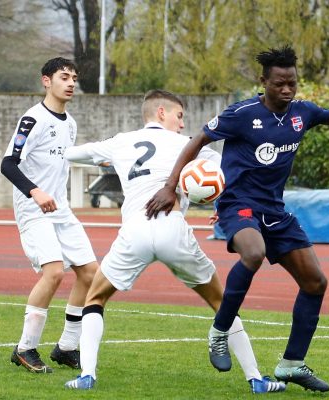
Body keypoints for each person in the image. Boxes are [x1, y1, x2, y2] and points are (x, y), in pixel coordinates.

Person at [145, 46, 329, 393]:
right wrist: (171, 185)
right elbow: (198, 139)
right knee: (253, 253)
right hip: (238, 205)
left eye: (292, 83)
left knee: (315, 282)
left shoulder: (301, 113)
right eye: (279, 83)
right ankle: (220, 331)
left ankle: (291, 364)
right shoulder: (241, 114)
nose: (287, 90)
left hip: (275, 211)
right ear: (263, 81)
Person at [62, 89, 286, 394]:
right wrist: (225, 207)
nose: (182, 124)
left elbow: (72, 153)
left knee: (95, 299)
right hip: (173, 230)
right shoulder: (187, 145)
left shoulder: (119, 142)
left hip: (135, 231)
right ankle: (256, 378)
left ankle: (87, 374)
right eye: (179, 116)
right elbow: (226, 173)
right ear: (161, 113)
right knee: (221, 302)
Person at [0, 57, 99, 373]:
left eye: (74, 77)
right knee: (54, 272)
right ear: (46, 81)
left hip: (61, 210)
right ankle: (25, 348)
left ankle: (67, 347)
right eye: (63, 77)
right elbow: (8, 164)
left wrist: (102, 161)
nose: (70, 83)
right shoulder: (32, 119)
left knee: (90, 273)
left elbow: (64, 157)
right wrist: (35, 191)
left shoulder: (69, 123)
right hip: (34, 210)